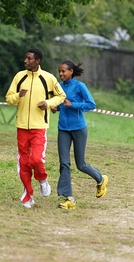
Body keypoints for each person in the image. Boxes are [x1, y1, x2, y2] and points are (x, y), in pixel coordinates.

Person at [5, 48, 66, 208]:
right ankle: (28, 195)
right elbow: (9, 98)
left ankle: (42, 179)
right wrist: (18, 96)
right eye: (25, 58)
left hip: (39, 127)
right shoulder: (19, 76)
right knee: (24, 163)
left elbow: (61, 96)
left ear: (37, 61)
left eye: (29, 59)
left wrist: (48, 103)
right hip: (21, 127)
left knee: (37, 159)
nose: (26, 61)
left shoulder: (49, 78)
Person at [51, 60, 108, 210]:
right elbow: (58, 105)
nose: (61, 74)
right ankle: (69, 198)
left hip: (79, 129)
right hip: (63, 129)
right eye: (60, 71)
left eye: (63, 71)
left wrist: (73, 105)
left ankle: (101, 179)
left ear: (71, 71)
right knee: (64, 163)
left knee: (80, 164)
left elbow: (91, 104)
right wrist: (55, 108)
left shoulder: (80, 86)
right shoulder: (58, 87)